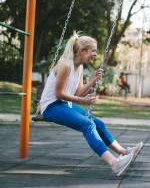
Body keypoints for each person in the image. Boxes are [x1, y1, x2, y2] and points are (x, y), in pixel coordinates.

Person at [40, 31, 143, 176]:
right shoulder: (65, 65)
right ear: (82, 51)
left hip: (63, 105)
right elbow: (58, 94)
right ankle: (114, 163)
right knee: (88, 125)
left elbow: (77, 93)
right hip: (51, 106)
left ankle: (123, 152)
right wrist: (83, 101)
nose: (95, 54)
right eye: (93, 51)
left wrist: (92, 80)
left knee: (98, 124)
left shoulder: (79, 67)